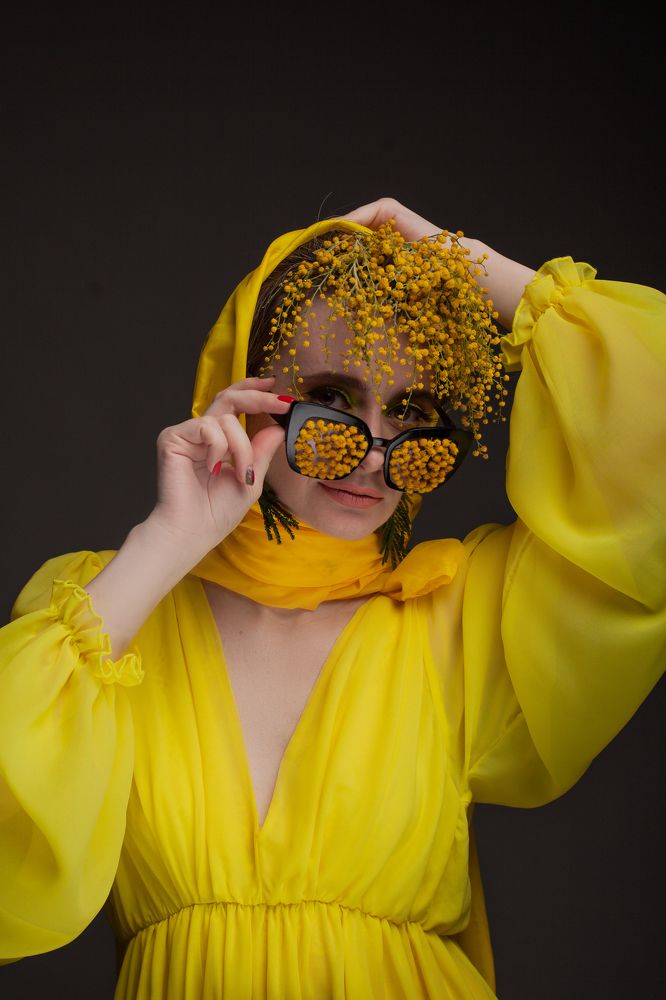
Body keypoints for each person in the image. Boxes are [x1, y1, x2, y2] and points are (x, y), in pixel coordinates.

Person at [1, 197, 664, 999]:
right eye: (334, 401)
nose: (376, 458)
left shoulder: (464, 615)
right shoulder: (109, 617)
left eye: (413, 414)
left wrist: (462, 259)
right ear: (245, 394)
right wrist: (168, 543)